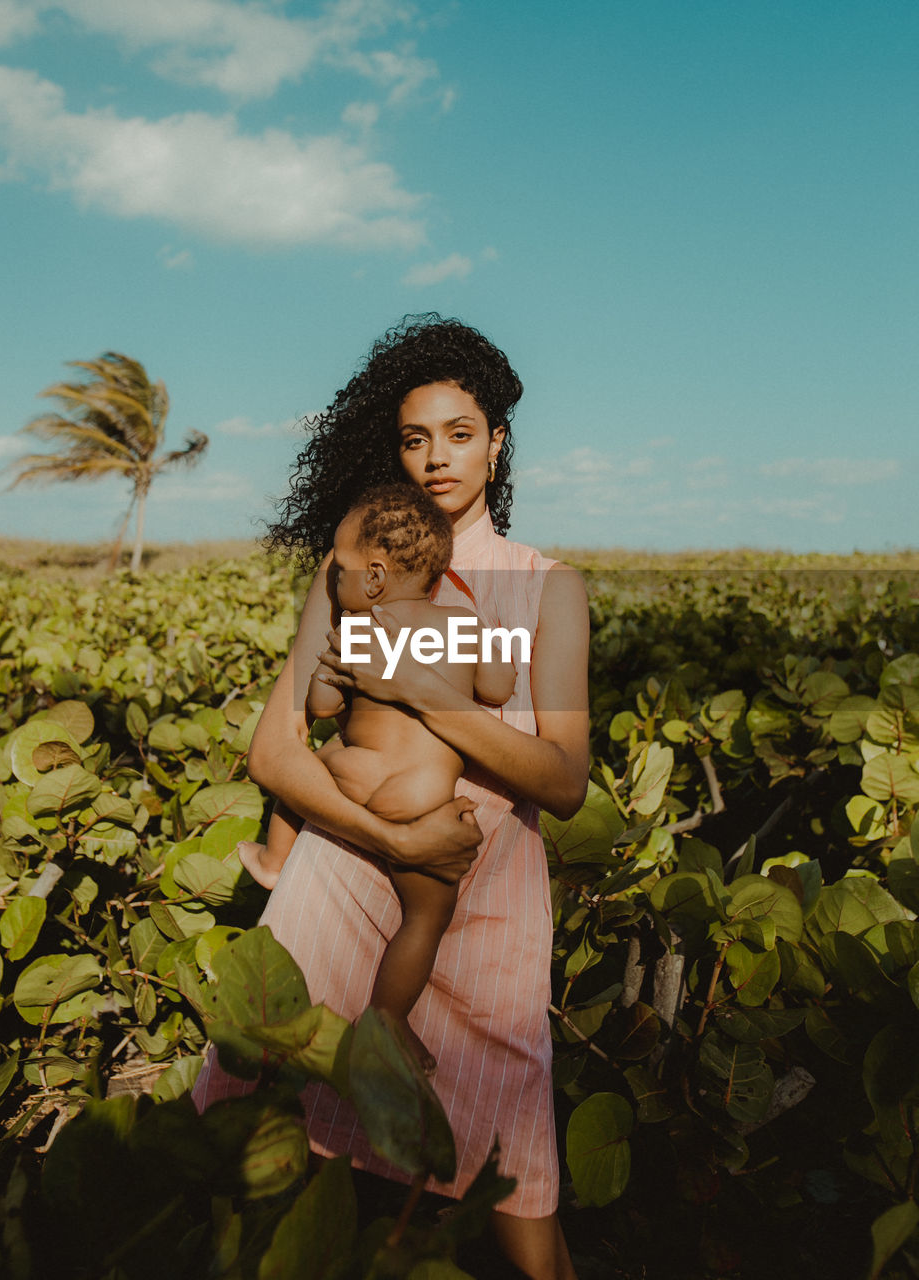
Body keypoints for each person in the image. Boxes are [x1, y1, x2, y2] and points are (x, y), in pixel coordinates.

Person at [193, 315, 589, 1280]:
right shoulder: (353, 570)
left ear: (498, 441)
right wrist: (390, 840)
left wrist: (422, 693)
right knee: (251, 1119)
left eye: (459, 433)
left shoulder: (546, 587)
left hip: (484, 890)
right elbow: (275, 750)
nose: (437, 458)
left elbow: (565, 781)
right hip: (350, 865)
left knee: (517, 1164)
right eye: (415, 438)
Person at [237, 482, 516, 1072]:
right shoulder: (464, 624)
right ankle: (387, 1019)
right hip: (422, 797)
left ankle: (275, 858)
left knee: (307, 763)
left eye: (339, 569)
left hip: (354, 776)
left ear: (375, 579)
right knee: (425, 919)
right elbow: (497, 690)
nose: (333, 580)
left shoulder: (358, 630)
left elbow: (319, 706)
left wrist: (335, 673)